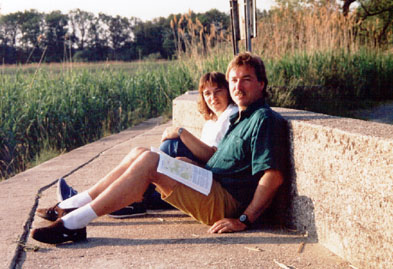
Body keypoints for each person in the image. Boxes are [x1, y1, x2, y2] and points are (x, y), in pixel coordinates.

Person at [31, 52, 288, 244]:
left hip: (225, 202)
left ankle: (73, 223)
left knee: (151, 162)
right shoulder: (239, 118)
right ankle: (74, 205)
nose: (238, 86)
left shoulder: (263, 119)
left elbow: (272, 176)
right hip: (210, 181)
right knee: (144, 153)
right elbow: (226, 160)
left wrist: (243, 220)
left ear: (261, 84)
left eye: (246, 79)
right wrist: (196, 166)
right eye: (233, 80)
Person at [55, 71, 238, 218]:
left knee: (168, 148)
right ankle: (82, 200)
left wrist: (181, 132)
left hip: (210, 186)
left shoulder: (232, 115)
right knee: (139, 152)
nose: (212, 97)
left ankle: (131, 202)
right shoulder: (212, 122)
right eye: (207, 93)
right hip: (197, 176)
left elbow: (214, 158)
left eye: (218, 91)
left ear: (228, 91)